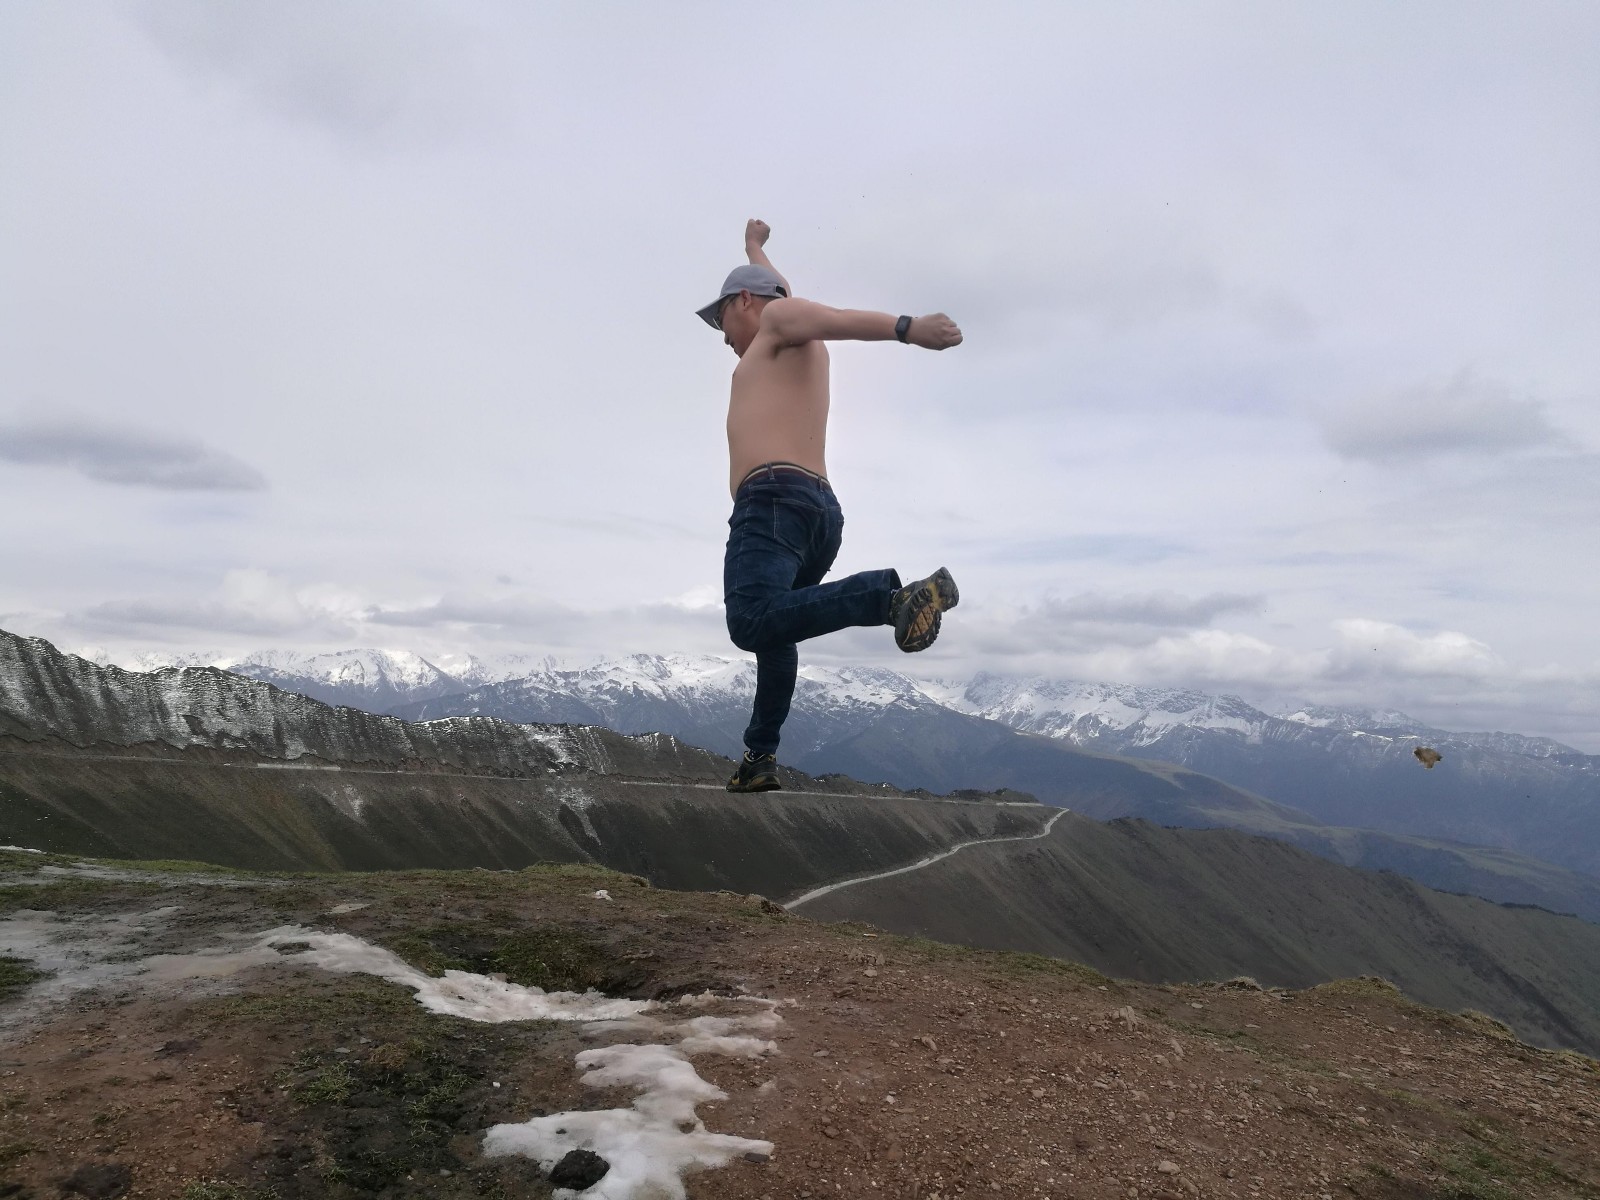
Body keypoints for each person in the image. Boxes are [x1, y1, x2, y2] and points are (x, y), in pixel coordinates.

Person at [698, 218, 964, 794]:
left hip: (772, 501)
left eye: (721, 318)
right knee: (777, 629)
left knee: (749, 622)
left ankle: (888, 597)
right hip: (817, 511)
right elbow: (786, 294)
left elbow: (824, 314)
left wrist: (907, 328)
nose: (722, 335)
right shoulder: (783, 327)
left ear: (745, 300)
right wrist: (754, 249)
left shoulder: (774, 322)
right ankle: (760, 756)